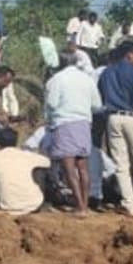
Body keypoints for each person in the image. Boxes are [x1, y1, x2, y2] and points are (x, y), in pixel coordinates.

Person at [97, 41, 133, 216]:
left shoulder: (106, 72)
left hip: (113, 117)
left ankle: (128, 204)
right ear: (130, 54)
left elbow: (101, 96)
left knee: (121, 164)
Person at [44, 51, 101, 215]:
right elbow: (97, 105)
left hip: (64, 123)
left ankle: (80, 206)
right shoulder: (87, 79)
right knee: (83, 167)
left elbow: (52, 103)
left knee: (68, 167)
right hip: (83, 124)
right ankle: (86, 205)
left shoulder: (56, 79)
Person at [0, 132, 53, 215]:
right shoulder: (27, 155)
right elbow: (47, 162)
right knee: (39, 170)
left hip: (8, 205)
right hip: (34, 204)